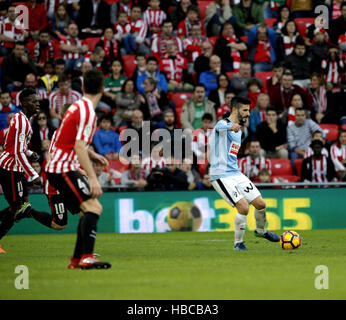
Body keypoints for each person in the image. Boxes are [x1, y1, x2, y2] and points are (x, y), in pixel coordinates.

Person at [46, 69, 111, 269]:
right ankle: (87, 257)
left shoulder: (77, 106)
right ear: (102, 89)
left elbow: (73, 141)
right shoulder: (88, 112)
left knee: (87, 210)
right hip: (62, 167)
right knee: (94, 207)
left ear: (82, 88)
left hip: (58, 166)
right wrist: (92, 178)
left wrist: (92, 155)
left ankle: (77, 260)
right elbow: (79, 147)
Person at [209, 96, 280, 250]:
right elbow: (218, 128)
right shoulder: (224, 124)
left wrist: (234, 129)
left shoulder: (239, 131)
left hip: (235, 173)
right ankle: (238, 243)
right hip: (220, 175)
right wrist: (230, 127)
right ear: (235, 110)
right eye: (245, 110)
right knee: (243, 207)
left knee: (260, 204)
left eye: (249, 110)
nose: (248, 113)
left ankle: (261, 231)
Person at [0, 89, 52, 253]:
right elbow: (17, 152)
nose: (37, 104)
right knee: (18, 208)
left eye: (38, 101)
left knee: (18, 207)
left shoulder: (22, 120)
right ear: (23, 103)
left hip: (13, 167)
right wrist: (33, 174)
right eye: (33, 101)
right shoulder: (22, 122)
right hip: (10, 169)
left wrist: (30, 153)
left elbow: (15, 146)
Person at [287, 108, 321, 173]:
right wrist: (304, 153)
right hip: (296, 151)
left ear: (305, 116)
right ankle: (296, 177)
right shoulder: (290, 128)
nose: (300, 117)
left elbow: (321, 132)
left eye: (302, 115)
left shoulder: (310, 122)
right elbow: (292, 146)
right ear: (295, 116)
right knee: (294, 159)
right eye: (298, 115)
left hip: (310, 149)